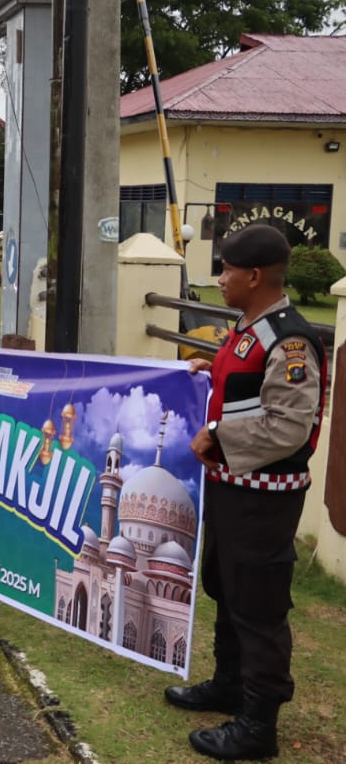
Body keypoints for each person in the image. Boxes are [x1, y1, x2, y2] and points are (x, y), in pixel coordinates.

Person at [166, 224, 326, 761]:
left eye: (227, 269)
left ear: (254, 276)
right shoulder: (249, 326)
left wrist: (217, 434)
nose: (220, 278)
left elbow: (288, 425)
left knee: (257, 605)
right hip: (231, 487)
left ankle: (259, 723)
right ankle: (229, 684)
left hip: (264, 496)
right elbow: (253, 390)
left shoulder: (291, 339)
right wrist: (215, 372)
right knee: (226, 587)